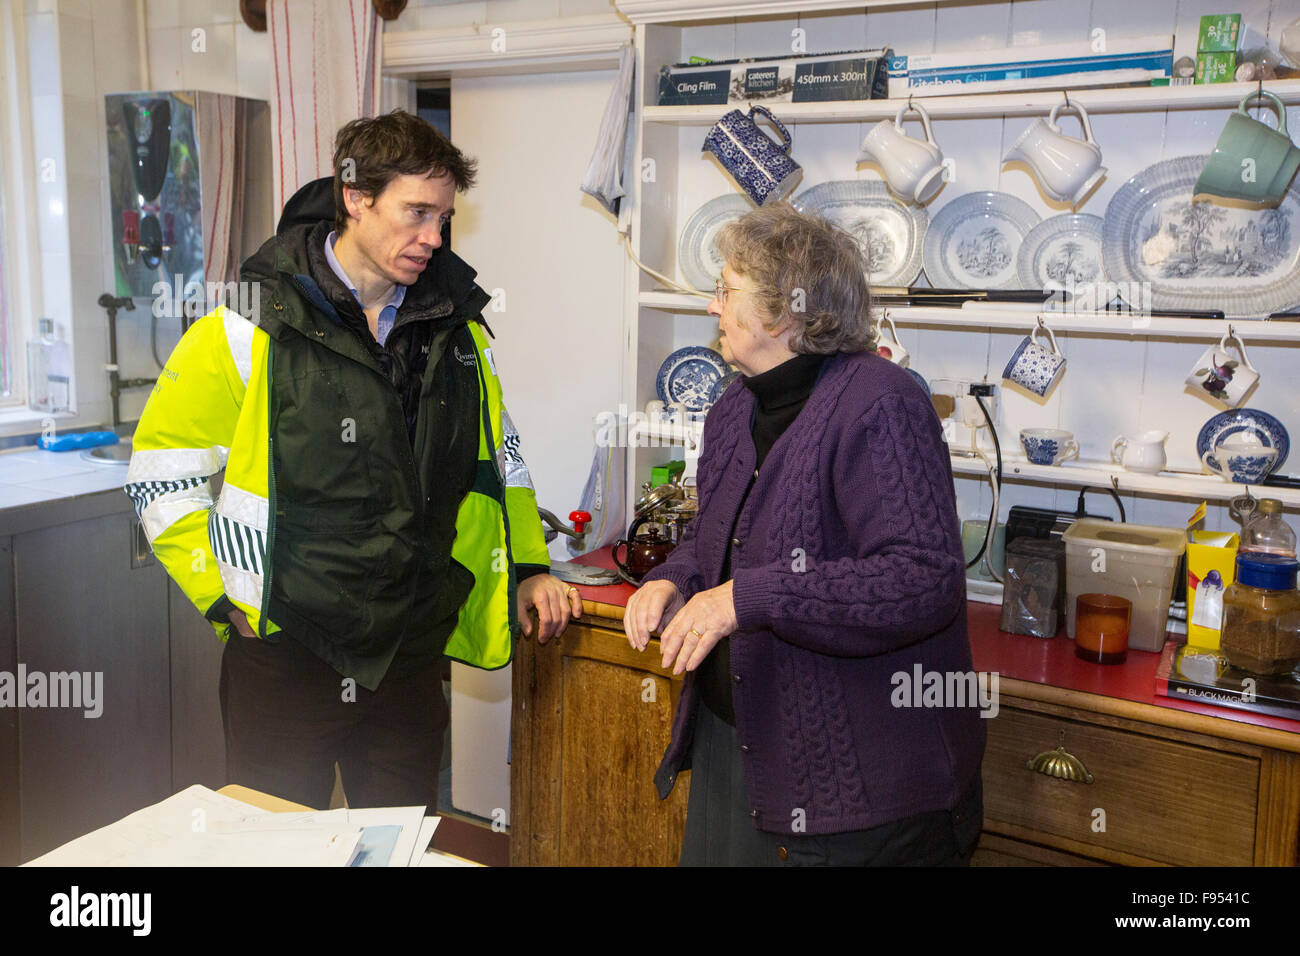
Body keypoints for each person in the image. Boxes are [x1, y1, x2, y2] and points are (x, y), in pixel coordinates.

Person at [125, 110, 579, 811]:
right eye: (416, 213)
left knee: (397, 845)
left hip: (406, 654)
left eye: (444, 217)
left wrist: (527, 568)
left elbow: (501, 459)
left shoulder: (456, 330)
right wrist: (223, 599)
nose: (433, 238)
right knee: (273, 853)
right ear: (356, 198)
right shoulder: (248, 324)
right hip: (286, 650)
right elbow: (160, 472)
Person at [624, 203, 986, 866]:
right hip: (742, 748)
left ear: (782, 309)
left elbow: (921, 580)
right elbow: (717, 539)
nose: (713, 308)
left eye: (726, 291)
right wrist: (676, 580)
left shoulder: (881, 401)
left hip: (863, 788)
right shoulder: (738, 403)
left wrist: (744, 598)